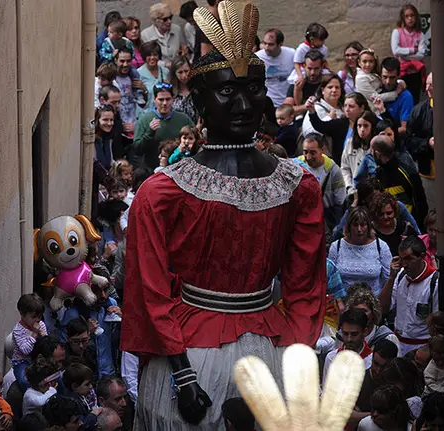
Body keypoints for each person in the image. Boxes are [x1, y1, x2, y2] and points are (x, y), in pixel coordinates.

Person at [121, 3, 325, 428]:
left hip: (269, 350)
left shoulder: (298, 188)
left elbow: (306, 287)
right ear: (198, 101)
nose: (244, 103)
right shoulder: (163, 194)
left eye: (253, 89)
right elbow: (149, 290)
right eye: (227, 91)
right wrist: (182, 373)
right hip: (190, 362)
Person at [379, 235, 439, 354]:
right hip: (399, 345)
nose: (404, 264)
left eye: (408, 259)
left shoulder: (434, 282)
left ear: (422, 257)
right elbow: (382, 308)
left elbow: (437, 325)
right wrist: (391, 278)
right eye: (401, 259)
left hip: (422, 348)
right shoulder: (400, 276)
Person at [328, 207, 392, 296]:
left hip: (373, 303)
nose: (359, 229)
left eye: (362, 225)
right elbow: (330, 277)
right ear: (349, 226)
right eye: (355, 225)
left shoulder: (381, 246)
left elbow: (388, 279)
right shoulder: (336, 246)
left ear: (368, 226)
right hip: (344, 304)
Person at [370, 135, 428, 230]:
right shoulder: (378, 174)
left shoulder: (407, 173)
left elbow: (420, 205)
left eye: (371, 152)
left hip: (408, 226)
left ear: (377, 154)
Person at [296, 133, 346, 240]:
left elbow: (340, 202)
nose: (308, 157)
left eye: (313, 153)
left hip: (325, 220)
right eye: (305, 152)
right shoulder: (296, 165)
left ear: (322, 150)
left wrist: (336, 229)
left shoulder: (333, 170)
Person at [133, 82, 195, 169]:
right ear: (155, 100)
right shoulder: (145, 120)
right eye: (161, 100)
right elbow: (137, 149)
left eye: (168, 99)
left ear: (173, 99)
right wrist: (150, 132)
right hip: (153, 169)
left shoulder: (183, 118)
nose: (165, 103)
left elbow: (196, 140)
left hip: (181, 169)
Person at [305, 92, 370, 165]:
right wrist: (312, 111)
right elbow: (320, 126)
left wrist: (382, 110)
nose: (347, 109)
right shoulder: (340, 123)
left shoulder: (371, 123)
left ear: (361, 108)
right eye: (345, 106)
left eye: (351, 106)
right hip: (341, 166)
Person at [350, 340, 399, 429]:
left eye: (384, 367)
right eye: (376, 364)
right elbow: (347, 417)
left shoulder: (396, 383)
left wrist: (361, 415)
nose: (378, 371)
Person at [405, 72, 436, 210]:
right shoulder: (419, 111)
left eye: (433, 85)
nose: (428, 88)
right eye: (427, 84)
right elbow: (409, 140)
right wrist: (427, 143)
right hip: (428, 171)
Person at [391, 4, 429, 103]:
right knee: (402, 97)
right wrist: (411, 50)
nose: (410, 19)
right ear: (403, 18)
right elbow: (396, 50)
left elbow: (421, 54)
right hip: (402, 71)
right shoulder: (397, 32)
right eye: (407, 16)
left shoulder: (420, 34)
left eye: (412, 16)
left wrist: (404, 56)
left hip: (415, 73)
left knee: (414, 98)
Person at [323, 308, 373, 383]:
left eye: (354, 334)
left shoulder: (372, 361)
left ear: (365, 332)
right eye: (345, 334)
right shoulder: (331, 358)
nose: (349, 339)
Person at [346, 284, 401, 352]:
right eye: (356, 310)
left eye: (364, 311)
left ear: (373, 313)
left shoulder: (387, 338)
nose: (360, 314)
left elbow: (395, 362)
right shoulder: (344, 334)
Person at [11, 293, 48, 391]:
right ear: (22, 314)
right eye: (34, 317)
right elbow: (25, 350)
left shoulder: (41, 324)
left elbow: (47, 346)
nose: (38, 320)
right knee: (25, 381)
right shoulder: (18, 330)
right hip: (22, 361)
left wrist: (44, 337)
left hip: (37, 359)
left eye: (39, 316)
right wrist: (34, 334)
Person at [256, 28, 296, 109]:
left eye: (271, 44)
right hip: (267, 103)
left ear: (280, 44)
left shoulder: (291, 54)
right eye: (264, 43)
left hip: (287, 103)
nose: (266, 48)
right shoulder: (257, 58)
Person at [341, 111, 379, 195]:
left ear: (372, 127)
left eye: (366, 126)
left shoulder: (378, 144)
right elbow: (345, 168)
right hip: (354, 190)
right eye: (359, 126)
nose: (362, 130)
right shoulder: (350, 143)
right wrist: (349, 187)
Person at [113, 46, 147, 138]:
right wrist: (120, 125)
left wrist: (144, 89)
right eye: (122, 61)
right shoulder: (111, 78)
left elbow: (143, 104)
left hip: (134, 126)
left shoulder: (134, 76)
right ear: (116, 61)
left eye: (128, 61)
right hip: (117, 128)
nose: (125, 64)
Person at [284, 48, 325, 118]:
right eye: (309, 68)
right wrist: (306, 106)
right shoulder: (298, 84)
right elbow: (285, 110)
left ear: (322, 67)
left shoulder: (328, 83)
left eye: (316, 69)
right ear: (304, 66)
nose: (312, 73)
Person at [141, 3, 183, 68]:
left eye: (170, 17)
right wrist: (165, 64)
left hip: (178, 69)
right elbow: (147, 58)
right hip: (157, 70)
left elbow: (184, 48)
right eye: (165, 19)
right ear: (156, 21)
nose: (169, 21)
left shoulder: (176, 29)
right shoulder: (146, 34)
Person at [380, 57, 414, 136]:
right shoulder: (375, 88)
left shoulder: (405, 96)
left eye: (392, 77)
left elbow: (404, 129)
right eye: (385, 77)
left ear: (398, 76)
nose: (388, 82)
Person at [367, 191, 408, 256]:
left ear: (395, 211)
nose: (385, 217)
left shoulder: (403, 227)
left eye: (389, 213)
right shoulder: (369, 230)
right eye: (381, 214)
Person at [169, 55, 199, 124]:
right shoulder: (169, 90)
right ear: (174, 73)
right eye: (180, 72)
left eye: (186, 71)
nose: (184, 76)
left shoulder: (197, 88)